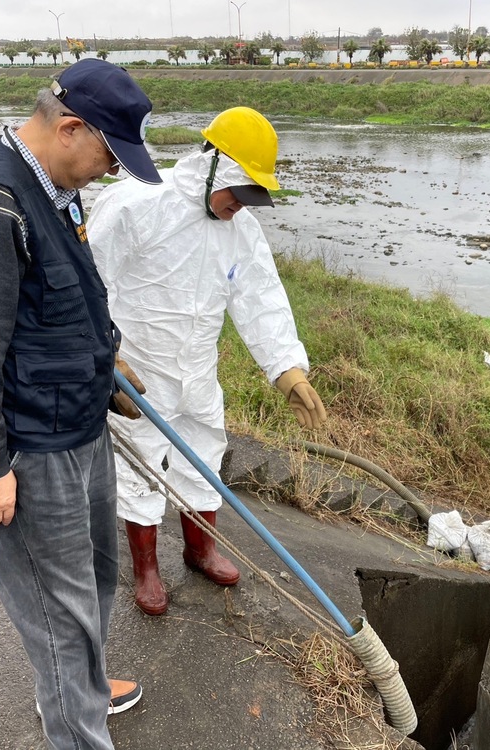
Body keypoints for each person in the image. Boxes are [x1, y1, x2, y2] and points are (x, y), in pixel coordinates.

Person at [0, 59, 159, 749]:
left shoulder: (55, 188)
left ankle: (80, 690)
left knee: (95, 582)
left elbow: (64, 304)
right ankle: (76, 723)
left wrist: (105, 372)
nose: (109, 172)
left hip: (80, 427)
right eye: (109, 157)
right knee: (60, 618)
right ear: (69, 128)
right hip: (30, 448)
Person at [87, 106, 327, 616]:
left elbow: (260, 299)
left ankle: (200, 551)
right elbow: (87, 281)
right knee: (139, 464)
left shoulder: (241, 231)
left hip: (198, 371)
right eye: (238, 192)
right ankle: (146, 569)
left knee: (204, 454)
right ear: (213, 165)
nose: (241, 205)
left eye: (252, 197)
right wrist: (104, 357)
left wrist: (287, 370)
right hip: (139, 373)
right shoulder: (136, 203)